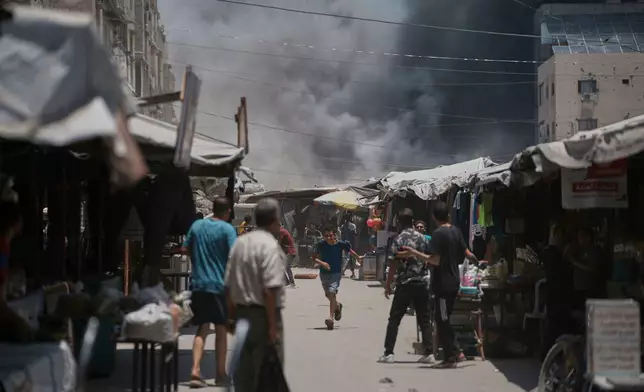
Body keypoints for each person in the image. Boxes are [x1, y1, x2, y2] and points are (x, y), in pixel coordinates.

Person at [397, 201, 478, 368]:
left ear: (434, 217)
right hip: (454, 281)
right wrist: (478, 262)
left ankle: (451, 357)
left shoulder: (438, 234)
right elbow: (467, 252)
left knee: (442, 320)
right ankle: (456, 352)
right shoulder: (455, 231)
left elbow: (434, 260)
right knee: (444, 318)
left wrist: (413, 253)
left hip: (443, 284)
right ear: (448, 214)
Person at [225, 198, 287, 392]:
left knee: (245, 377)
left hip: (242, 315)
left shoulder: (240, 243)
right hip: (265, 317)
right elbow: (269, 289)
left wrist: (231, 316)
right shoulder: (270, 246)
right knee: (268, 374)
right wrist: (271, 327)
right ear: (274, 220)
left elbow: (228, 285)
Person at [181, 197, 237, 387]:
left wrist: (199, 260)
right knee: (221, 330)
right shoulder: (228, 229)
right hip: (219, 286)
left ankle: (195, 371)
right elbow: (234, 255)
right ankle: (220, 374)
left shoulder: (197, 226)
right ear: (227, 211)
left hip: (198, 285)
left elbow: (185, 248)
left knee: (202, 328)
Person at [378, 208, 434, 364]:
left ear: (399, 222)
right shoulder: (423, 238)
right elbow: (430, 259)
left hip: (405, 283)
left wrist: (388, 285)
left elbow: (393, 263)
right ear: (413, 220)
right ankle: (429, 353)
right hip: (422, 282)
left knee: (394, 319)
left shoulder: (398, 239)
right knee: (424, 319)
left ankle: (388, 353)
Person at [313, 227, 363, 330]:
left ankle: (330, 319)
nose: (328, 238)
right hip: (324, 273)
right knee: (328, 295)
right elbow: (314, 257)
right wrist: (322, 263)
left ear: (334, 235)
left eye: (330, 235)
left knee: (332, 293)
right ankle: (338, 306)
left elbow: (350, 251)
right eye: (326, 236)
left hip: (336, 273)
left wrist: (358, 257)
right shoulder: (321, 244)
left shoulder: (340, 244)